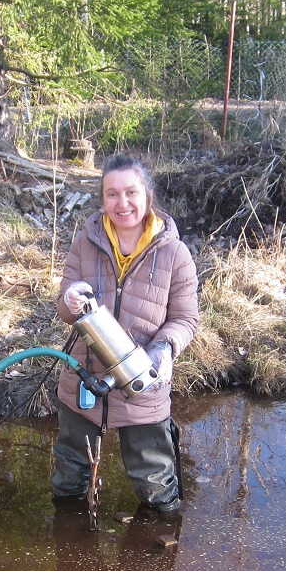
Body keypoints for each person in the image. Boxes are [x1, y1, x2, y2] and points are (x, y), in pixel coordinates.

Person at [52, 153, 199, 511]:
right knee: (69, 487)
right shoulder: (84, 243)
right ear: (102, 199)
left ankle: (160, 556)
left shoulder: (175, 254)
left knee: (158, 494)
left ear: (148, 195)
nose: (123, 203)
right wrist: (69, 300)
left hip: (142, 384)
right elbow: (63, 308)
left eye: (131, 192)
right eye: (112, 194)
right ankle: (72, 561)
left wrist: (165, 346)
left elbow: (186, 319)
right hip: (83, 384)